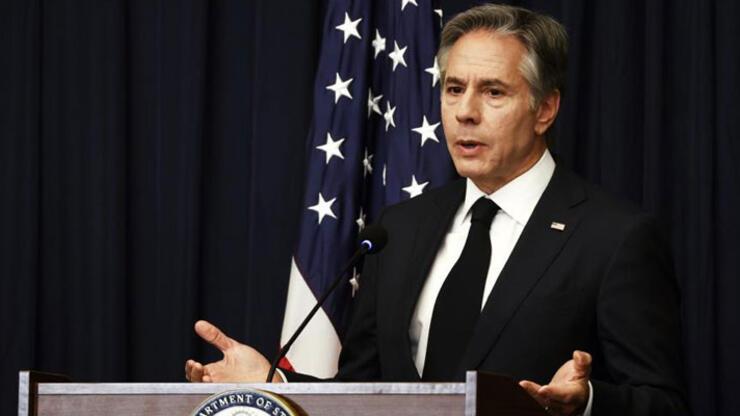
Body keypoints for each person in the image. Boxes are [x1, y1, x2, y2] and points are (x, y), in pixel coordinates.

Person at [185, 4, 689, 415]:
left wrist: (588, 402)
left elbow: (664, 403)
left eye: (493, 92)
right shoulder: (400, 229)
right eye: (453, 89)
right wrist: (272, 385)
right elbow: (364, 395)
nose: (465, 112)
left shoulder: (613, 237)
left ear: (545, 109)